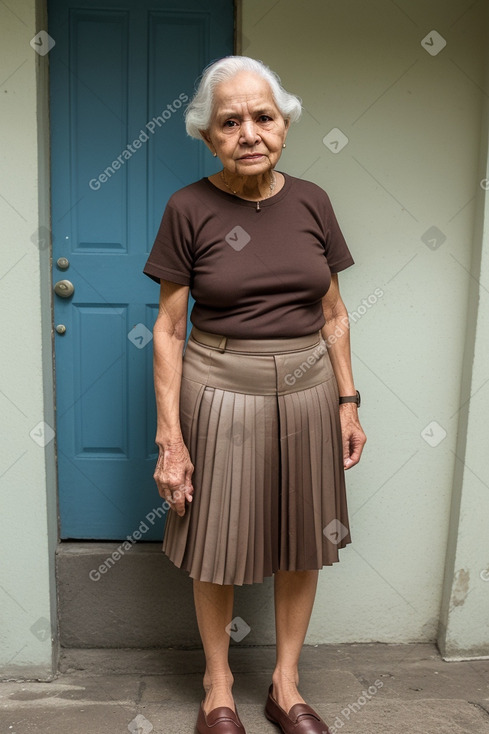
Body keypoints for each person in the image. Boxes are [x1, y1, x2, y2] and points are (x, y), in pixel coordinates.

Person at [143, 55, 366, 734]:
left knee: (305, 539)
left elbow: (333, 314)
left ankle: (285, 682)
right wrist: (170, 437)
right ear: (207, 137)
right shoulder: (188, 208)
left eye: (262, 117)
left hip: (307, 391)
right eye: (229, 121)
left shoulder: (311, 202)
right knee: (216, 543)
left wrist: (347, 402)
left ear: (285, 125)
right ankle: (217, 687)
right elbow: (169, 329)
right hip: (220, 392)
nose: (248, 132)